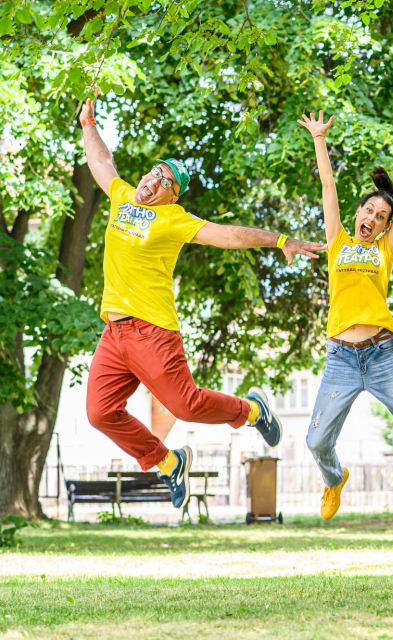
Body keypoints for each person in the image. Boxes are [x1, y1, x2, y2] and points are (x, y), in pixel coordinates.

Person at [80, 96, 325, 509]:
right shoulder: (121, 197)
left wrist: (282, 240)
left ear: (172, 197)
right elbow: (102, 161)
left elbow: (229, 235)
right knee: (101, 413)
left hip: (152, 329)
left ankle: (250, 411)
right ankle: (168, 461)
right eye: (154, 173)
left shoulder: (174, 220)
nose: (153, 182)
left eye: (164, 183)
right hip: (114, 333)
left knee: (185, 405)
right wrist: (88, 122)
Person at [298, 111, 393, 520]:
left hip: (382, 355)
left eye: (380, 217)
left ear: (385, 228)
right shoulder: (337, 241)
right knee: (316, 442)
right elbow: (328, 186)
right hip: (341, 360)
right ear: (358, 214)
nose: (372, 218)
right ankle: (334, 479)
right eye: (368, 211)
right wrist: (319, 138)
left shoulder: (384, 250)